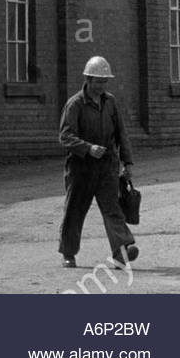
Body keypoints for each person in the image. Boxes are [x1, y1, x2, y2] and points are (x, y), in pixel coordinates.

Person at [58, 55, 138, 269]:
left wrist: (127, 163)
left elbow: (122, 134)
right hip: (81, 168)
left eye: (105, 81)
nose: (102, 86)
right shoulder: (74, 104)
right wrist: (88, 148)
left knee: (113, 209)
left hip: (107, 166)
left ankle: (122, 251)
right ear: (88, 79)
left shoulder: (110, 102)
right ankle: (68, 253)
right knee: (75, 211)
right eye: (99, 81)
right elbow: (65, 137)